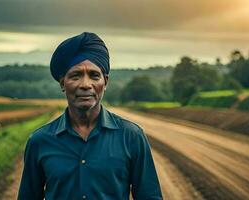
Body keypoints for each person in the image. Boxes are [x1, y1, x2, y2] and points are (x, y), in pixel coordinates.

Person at [18, 32, 163, 200]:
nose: (85, 85)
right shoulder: (40, 141)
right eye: (75, 75)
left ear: (105, 82)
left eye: (94, 75)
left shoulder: (131, 136)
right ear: (62, 83)